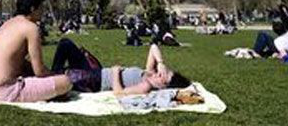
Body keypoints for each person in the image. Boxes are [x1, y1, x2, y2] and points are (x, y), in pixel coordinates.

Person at [0, 0, 72, 102]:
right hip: (7, 91)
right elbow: (39, 71)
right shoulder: (31, 28)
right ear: (32, 9)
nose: (43, 12)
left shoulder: (7, 24)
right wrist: (54, 75)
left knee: (29, 67)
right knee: (66, 81)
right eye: (41, 8)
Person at [52, 39, 192, 95]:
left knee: (61, 76)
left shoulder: (145, 86)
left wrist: (115, 73)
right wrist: (160, 63)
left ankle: (48, 76)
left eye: (163, 77)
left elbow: (119, 93)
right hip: (97, 70)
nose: (159, 73)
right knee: (65, 43)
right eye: (163, 72)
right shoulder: (149, 73)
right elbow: (153, 47)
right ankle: (51, 72)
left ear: (163, 87)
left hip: (96, 81)